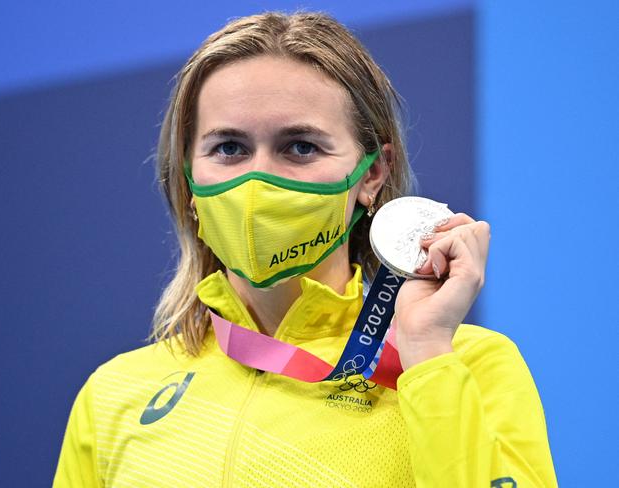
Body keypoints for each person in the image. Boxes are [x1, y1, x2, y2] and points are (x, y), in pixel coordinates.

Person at [53, 11, 558, 487]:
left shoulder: (465, 366)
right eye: (228, 148)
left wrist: (426, 356)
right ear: (189, 177)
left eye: (300, 147)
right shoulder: (112, 394)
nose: (258, 179)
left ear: (373, 174)